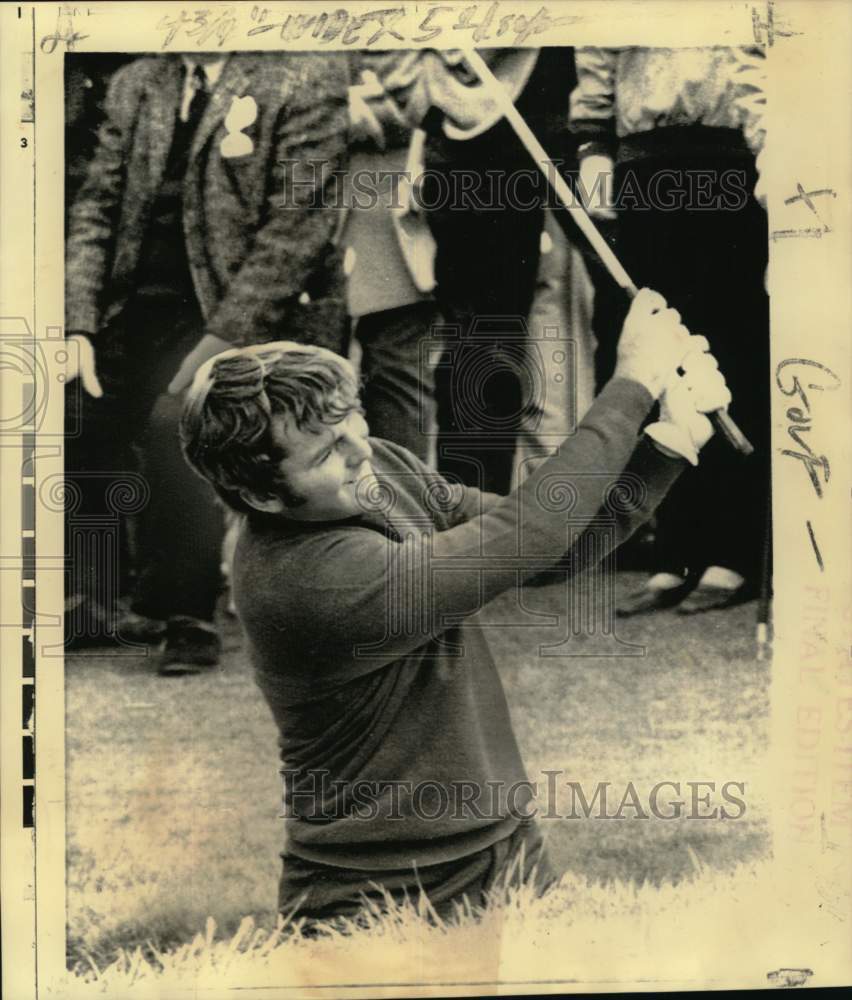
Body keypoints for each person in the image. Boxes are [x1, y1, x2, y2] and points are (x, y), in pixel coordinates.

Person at [179, 289, 731, 925]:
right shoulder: (305, 581)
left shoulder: (379, 468)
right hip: (378, 895)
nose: (361, 448)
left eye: (353, 417)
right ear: (260, 494)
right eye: (327, 450)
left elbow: (553, 548)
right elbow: (528, 534)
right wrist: (632, 383)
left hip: (509, 852)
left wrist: (668, 442)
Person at [63, 52, 350, 670]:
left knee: (180, 422)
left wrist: (220, 343)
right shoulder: (136, 82)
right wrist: (78, 325)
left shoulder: (306, 76)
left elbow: (295, 233)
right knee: (73, 402)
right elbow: (95, 208)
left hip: (238, 313)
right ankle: (94, 598)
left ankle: (185, 611)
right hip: (132, 309)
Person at [570, 46, 769, 614]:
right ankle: (676, 552)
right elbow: (598, 46)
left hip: (734, 154)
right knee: (658, 352)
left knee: (731, 351)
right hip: (644, 161)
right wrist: (593, 146)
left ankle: (733, 553)